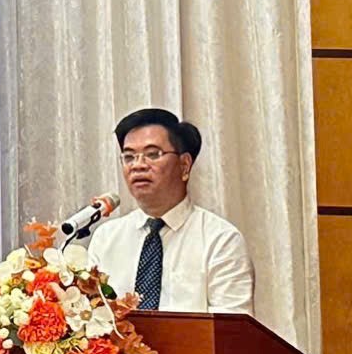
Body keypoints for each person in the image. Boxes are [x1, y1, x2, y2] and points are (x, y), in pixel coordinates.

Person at [82, 107, 251, 315]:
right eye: (129, 157)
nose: (138, 165)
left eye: (153, 154)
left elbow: (231, 329)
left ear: (184, 165)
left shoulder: (220, 240)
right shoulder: (106, 238)